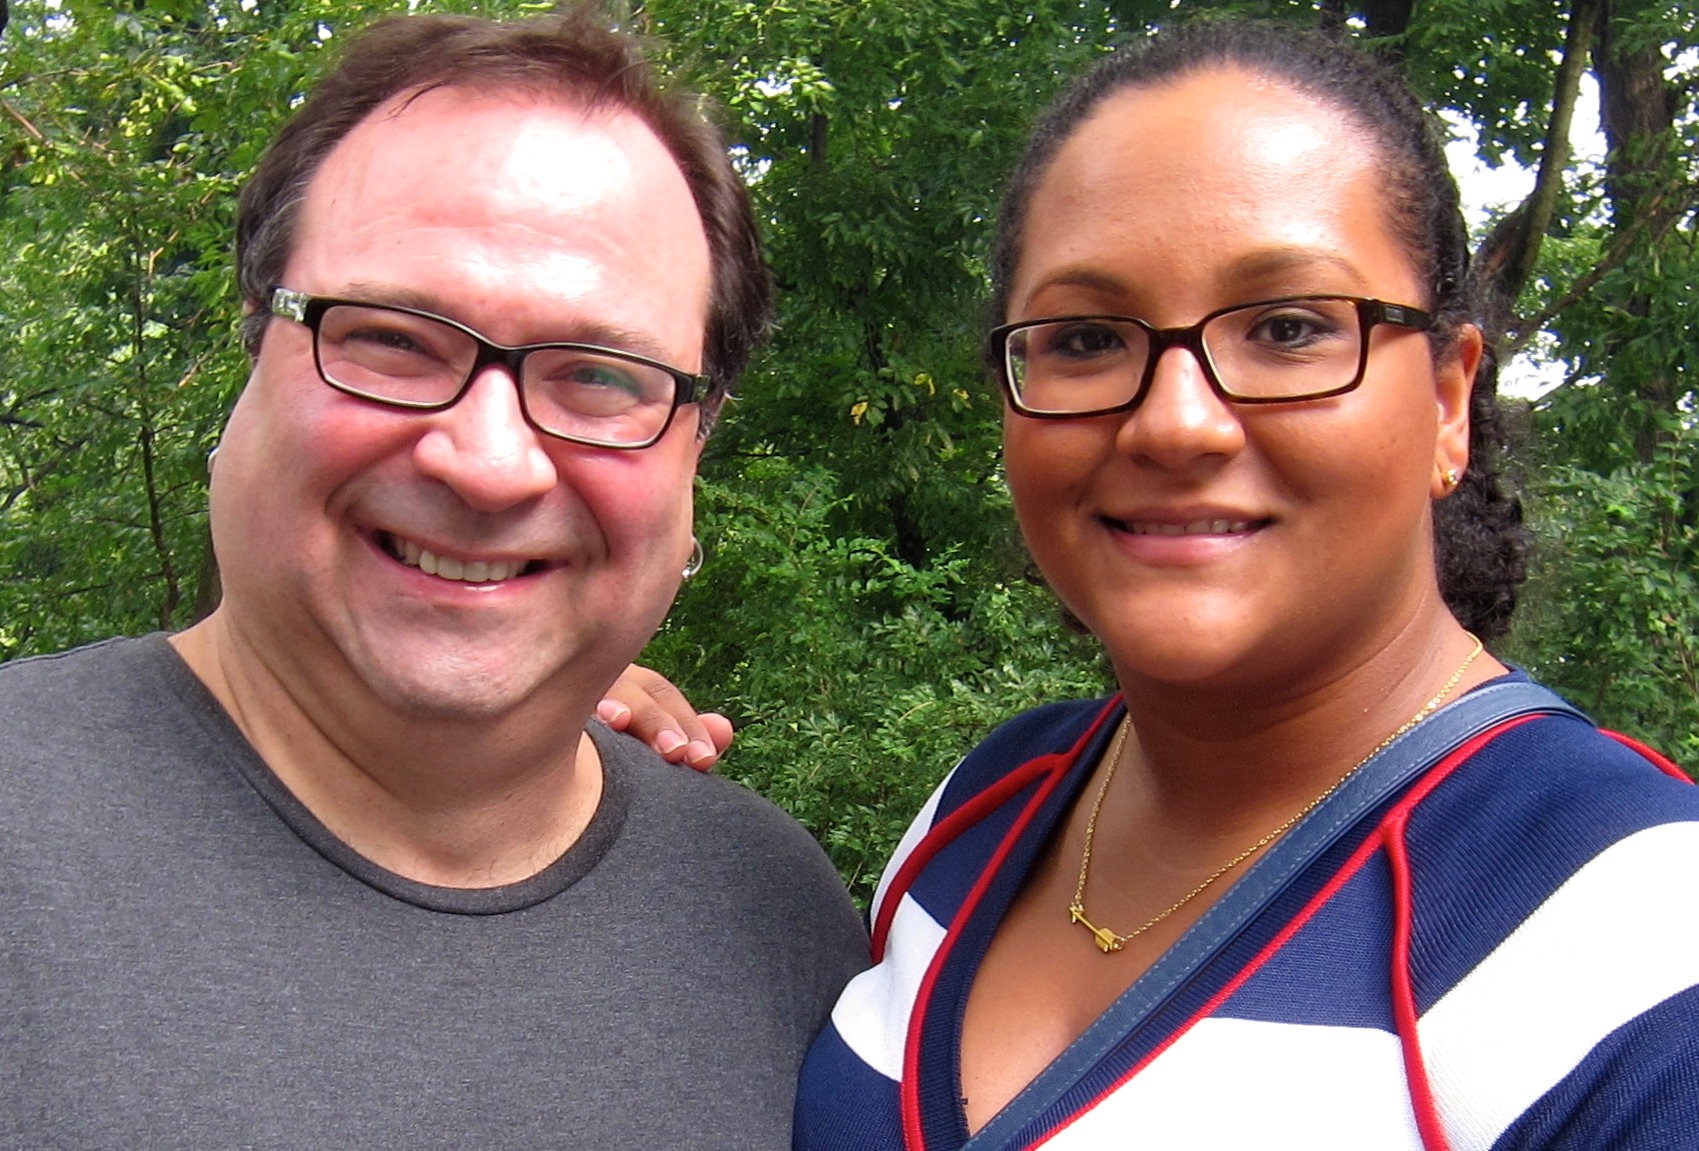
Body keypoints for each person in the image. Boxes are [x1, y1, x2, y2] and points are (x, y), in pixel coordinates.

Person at [786, 21, 1699, 1151]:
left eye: (1287, 327)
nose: (1174, 422)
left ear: (1448, 402)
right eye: (1086, 338)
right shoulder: (980, 807)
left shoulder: (1634, 932)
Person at [0, 10, 865, 1148]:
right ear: (252, 345)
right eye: (395, 339)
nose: (489, 463)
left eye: (601, 375)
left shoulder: (777, 920)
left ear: (695, 444)